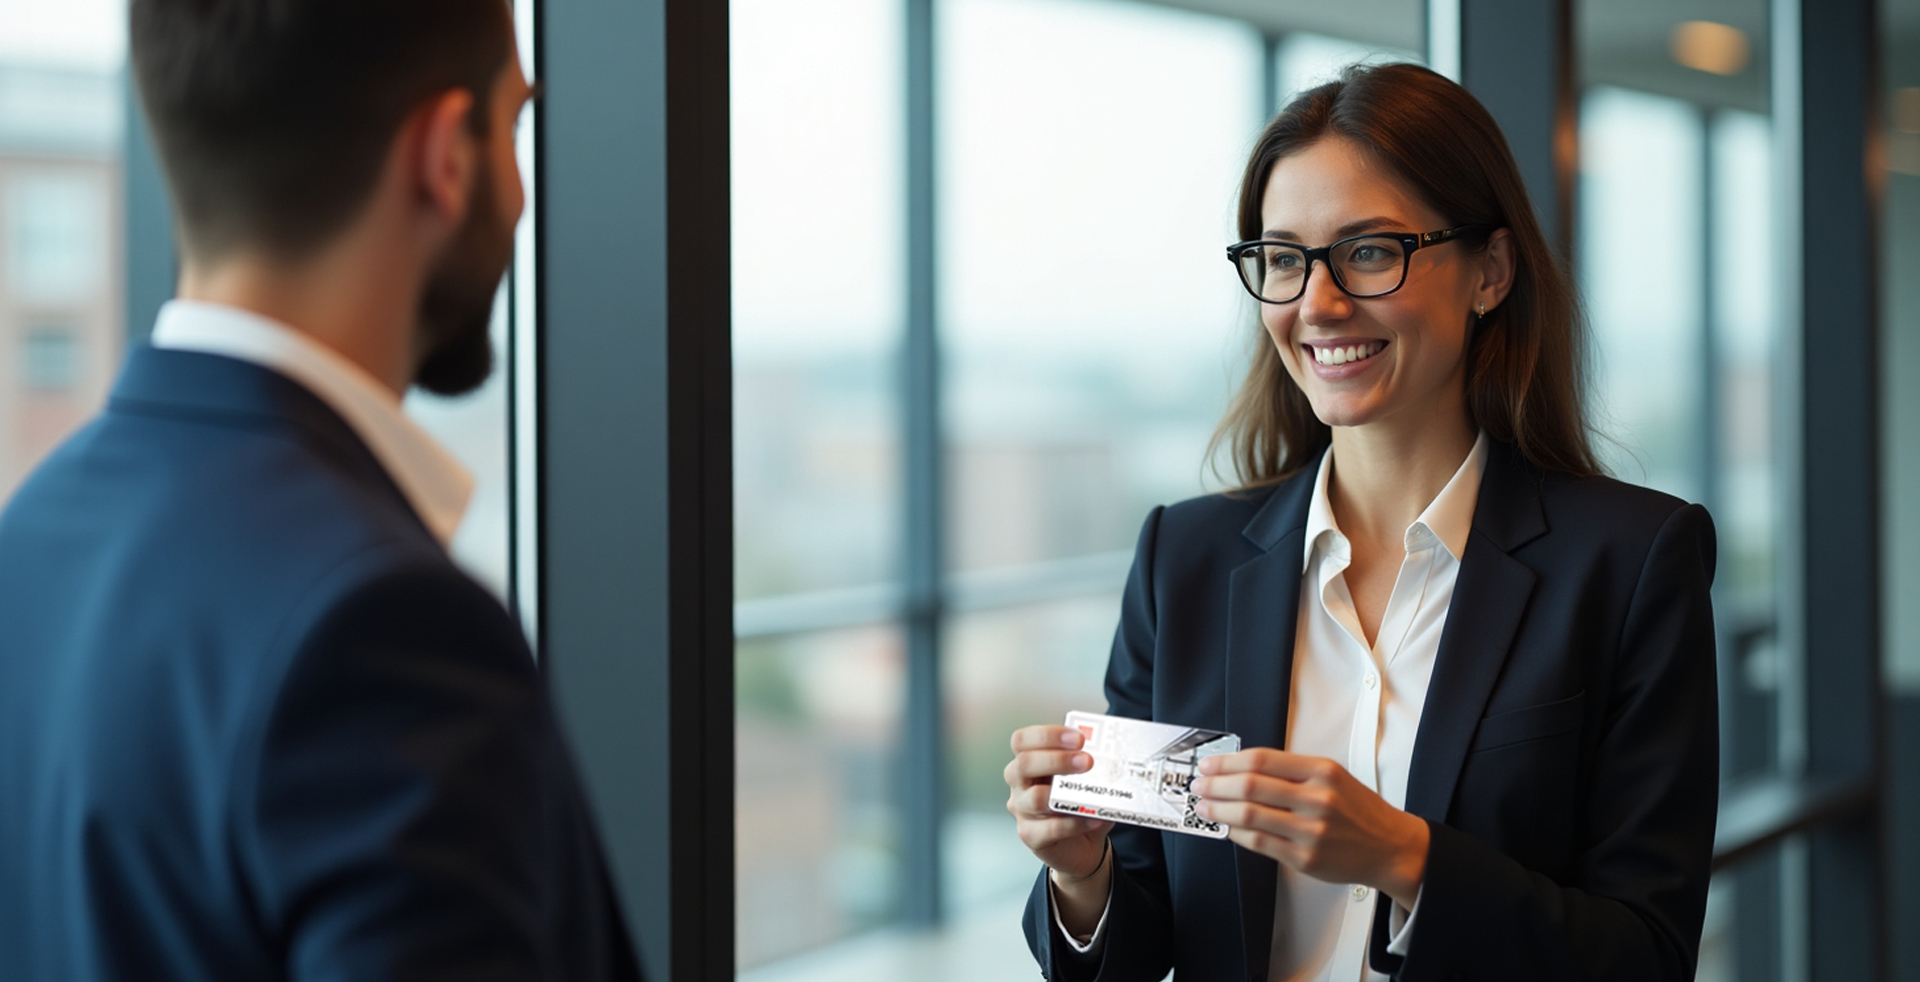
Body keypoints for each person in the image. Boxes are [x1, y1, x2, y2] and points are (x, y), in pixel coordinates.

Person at [1004, 63, 1717, 982]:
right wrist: (1082, 874)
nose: (1319, 303)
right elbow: (1143, 936)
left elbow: (1647, 955)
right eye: (1284, 259)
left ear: (1491, 272)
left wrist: (1405, 858)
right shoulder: (1183, 561)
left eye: (1371, 251)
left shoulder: (1630, 563)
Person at [0, 2, 643, 979]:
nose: (522, 193)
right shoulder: (385, 624)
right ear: (445, 157)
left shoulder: (28, 542)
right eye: (512, 123)